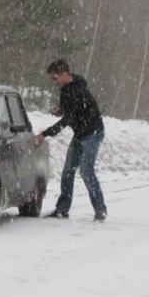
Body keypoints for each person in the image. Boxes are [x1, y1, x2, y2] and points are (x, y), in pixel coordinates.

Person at [36, 59, 108, 221]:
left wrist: (45, 134)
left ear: (65, 74)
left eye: (55, 78)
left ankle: (100, 209)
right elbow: (71, 111)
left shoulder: (76, 91)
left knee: (86, 171)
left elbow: (67, 120)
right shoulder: (67, 88)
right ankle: (62, 209)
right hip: (80, 134)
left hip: (93, 133)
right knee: (68, 172)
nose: (54, 82)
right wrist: (62, 109)